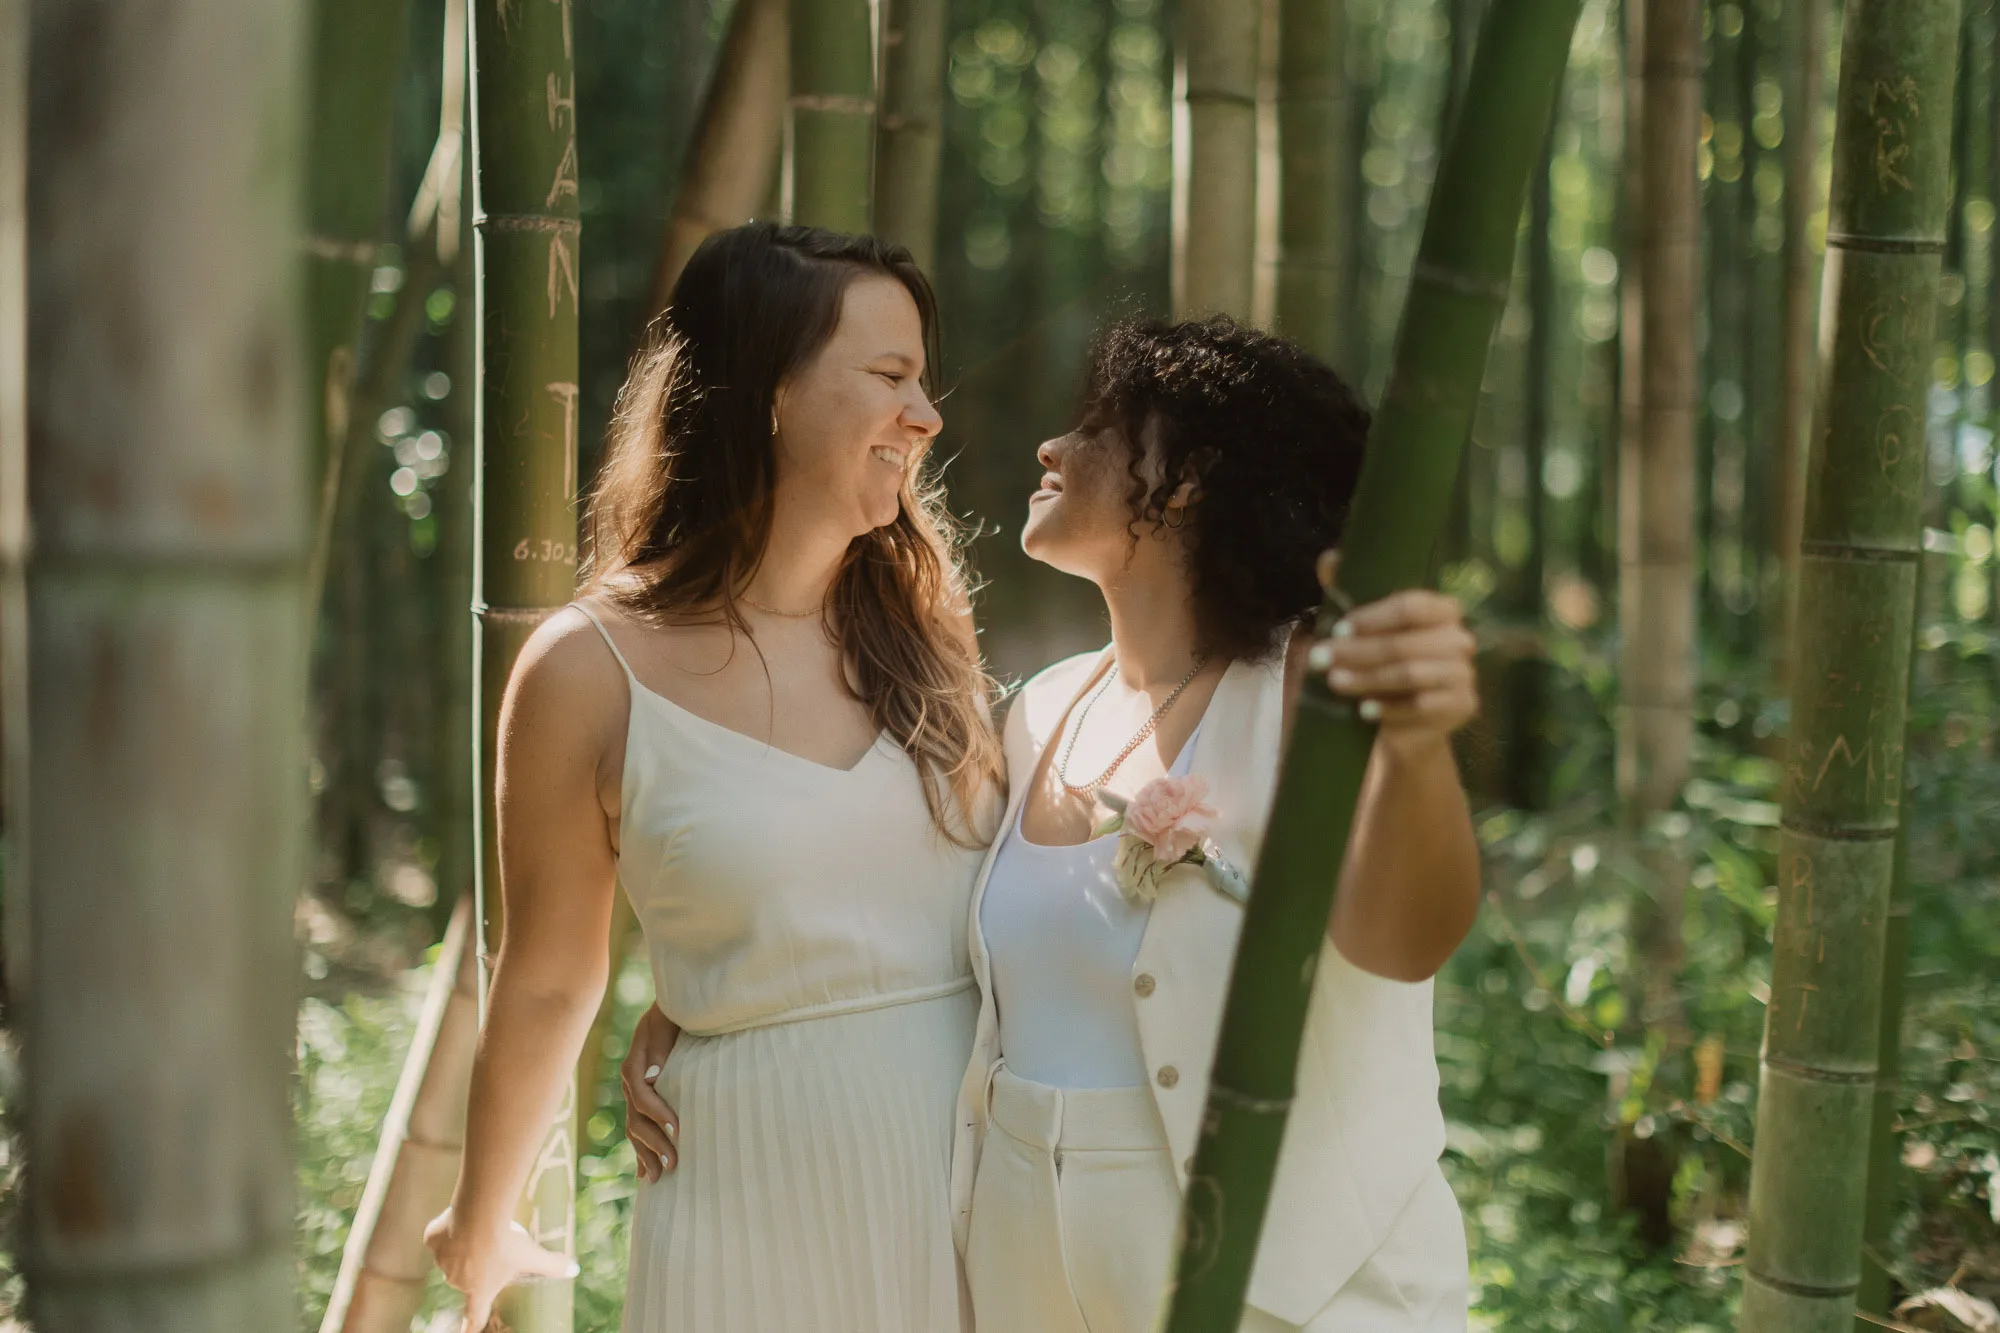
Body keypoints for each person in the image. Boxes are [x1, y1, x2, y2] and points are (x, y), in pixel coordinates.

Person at [625, 315, 1482, 1331]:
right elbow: (897, 903)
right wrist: (701, 1001)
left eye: (1096, 428)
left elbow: (1405, 937)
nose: (1051, 448)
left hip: (1289, 1287)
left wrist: (1416, 749)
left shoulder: (1299, 681)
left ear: (1192, 477)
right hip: (1030, 1284)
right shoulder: (1037, 709)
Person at [425, 222, 1002, 1333]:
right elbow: (548, 976)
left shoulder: (930, 627)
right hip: (745, 1191)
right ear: (768, 392)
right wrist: (482, 1215)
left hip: (969, 1178)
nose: (924, 417)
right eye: (888, 376)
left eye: (920, 382)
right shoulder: (586, 670)